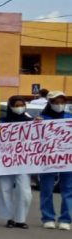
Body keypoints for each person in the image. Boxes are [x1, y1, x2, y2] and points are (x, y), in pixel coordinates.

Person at [0, 95, 35, 229]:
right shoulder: (2, 122)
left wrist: (40, 124)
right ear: (10, 107)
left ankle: (21, 218)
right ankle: (9, 218)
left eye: (21, 105)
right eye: (16, 105)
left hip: (24, 161)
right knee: (5, 189)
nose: (19, 108)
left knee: (24, 191)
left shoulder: (31, 122)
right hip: (6, 161)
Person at [37, 91, 71, 230]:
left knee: (68, 190)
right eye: (56, 102)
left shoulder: (70, 117)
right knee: (46, 189)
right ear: (50, 103)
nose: (59, 105)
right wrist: (35, 126)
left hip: (68, 160)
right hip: (47, 160)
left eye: (62, 102)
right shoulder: (41, 119)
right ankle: (48, 217)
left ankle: (66, 219)